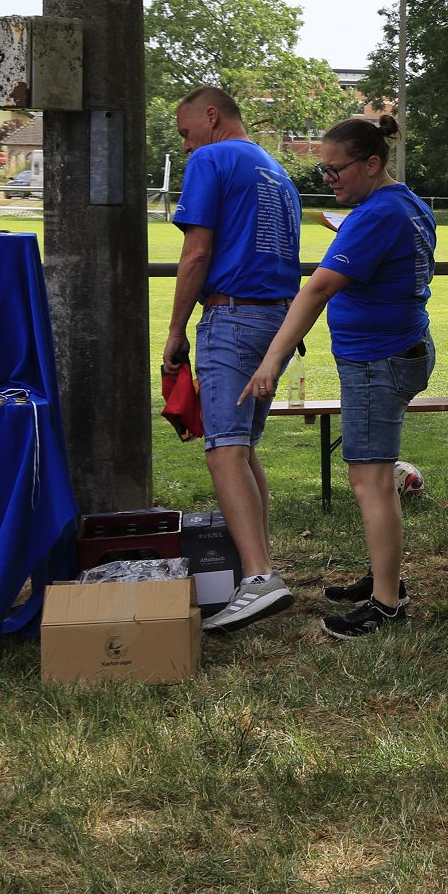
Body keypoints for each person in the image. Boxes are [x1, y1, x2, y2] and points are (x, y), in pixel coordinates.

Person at [244, 115, 434, 639]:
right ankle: (383, 575)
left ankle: (387, 604)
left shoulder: (378, 214)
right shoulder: (407, 204)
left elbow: (319, 289)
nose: (328, 179)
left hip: (378, 361)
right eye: (323, 171)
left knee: (370, 482)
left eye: (335, 170)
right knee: (374, 478)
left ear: (371, 164)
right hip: (397, 349)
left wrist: (271, 360)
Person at [162, 86, 302, 632]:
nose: (185, 144)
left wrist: (176, 331)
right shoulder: (276, 170)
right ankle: (259, 570)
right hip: (276, 321)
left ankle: (260, 577)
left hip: (233, 316)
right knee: (241, 449)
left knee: (224, 450)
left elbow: (197, 251)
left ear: (211, 117)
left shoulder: (211, 159)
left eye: (185, 131)